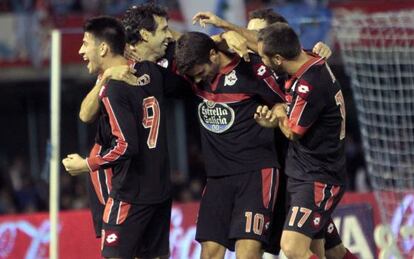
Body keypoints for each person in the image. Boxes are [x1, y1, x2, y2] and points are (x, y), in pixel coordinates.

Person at [195, 9, 356, 259]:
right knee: (332, 250)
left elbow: (292, 129)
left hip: (309, 174)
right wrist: (222, 30)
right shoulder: (304, 59)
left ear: (276, 47)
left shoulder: (303, 80)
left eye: (258, 34)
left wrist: (279, 110)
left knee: (301, 248)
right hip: (295, 171)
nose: (250, 40)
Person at [62, 16, 172, 259]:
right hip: (160, 189)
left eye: (84, 44)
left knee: (114, 255)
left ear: (102, 48)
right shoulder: (151, 71)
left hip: (127, 189)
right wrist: (108, 74)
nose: (80, 50)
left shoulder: (114, 88)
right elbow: (85, 114)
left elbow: (125, 145)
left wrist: (85, 165)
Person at [175, 31, 286, 259]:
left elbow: (282, 102)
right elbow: (175, 39)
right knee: (210, 252)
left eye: (200, 73)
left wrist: (273, 118)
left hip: (256, 172)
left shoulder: (251, 69)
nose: (197, 81)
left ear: (213, 56)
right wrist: (222, 35)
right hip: (217, 177)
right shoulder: (194, 67)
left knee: (247, 252)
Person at [254, 22, 348, 259]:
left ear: (277, 58)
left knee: (292, 247)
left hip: (318, 178)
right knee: (326, 251)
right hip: (304, 174)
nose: (261, 63)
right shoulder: (312, 60)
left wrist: (277, 115)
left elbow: (293, 132)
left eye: (263, 58)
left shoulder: (309, 84)